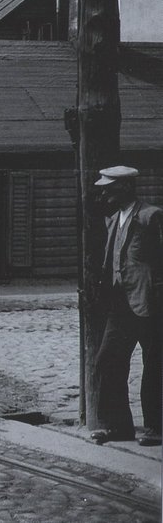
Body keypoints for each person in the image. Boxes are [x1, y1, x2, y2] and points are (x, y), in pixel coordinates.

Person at [89, 166, 162, 447]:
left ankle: (156, 427)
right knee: (107, 360)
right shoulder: (113, 219)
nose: (104, 192)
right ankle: (118, 427)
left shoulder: (150, 216)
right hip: (120, 304)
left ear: (126, 188)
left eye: (109, 187)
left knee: (154, 364)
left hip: (150, 303)